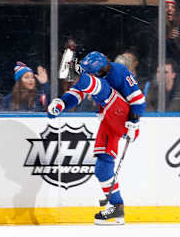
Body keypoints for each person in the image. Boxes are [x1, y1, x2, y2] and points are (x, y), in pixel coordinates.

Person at [46, 66, 140, 225]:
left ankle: (76, 71)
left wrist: (134, 122)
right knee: (102, 170)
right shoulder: (94, 80)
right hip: (108, 119)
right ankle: (117, 207)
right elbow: (76, 94)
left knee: (103, 91)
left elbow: (139, 101)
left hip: (123, 115)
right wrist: (60, 105)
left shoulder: (117, 73)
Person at [79, 51, 146, 126]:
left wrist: (134, 120)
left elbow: (138, 100)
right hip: (111, 113)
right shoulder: (102, 76)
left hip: (123, 113)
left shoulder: (118, 72)